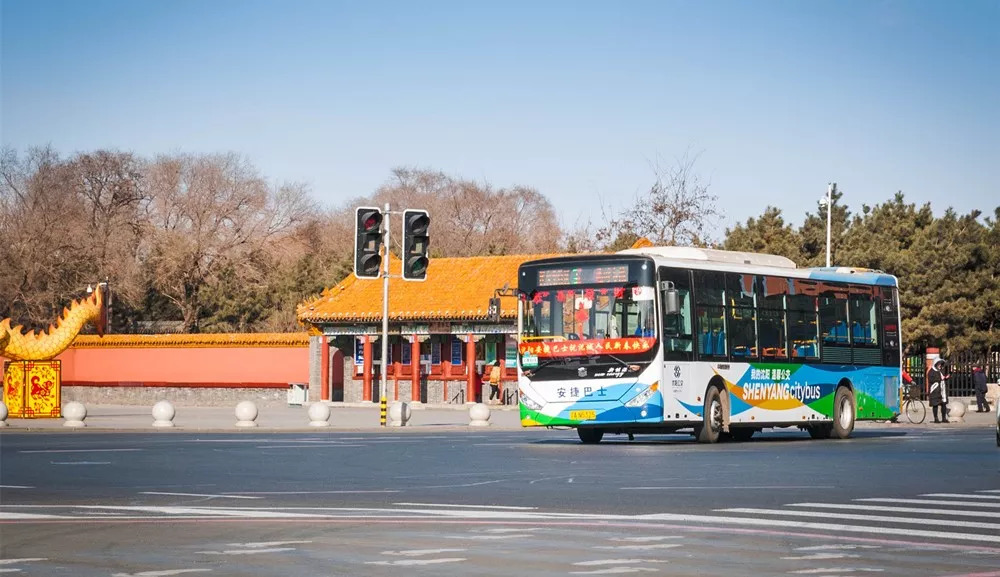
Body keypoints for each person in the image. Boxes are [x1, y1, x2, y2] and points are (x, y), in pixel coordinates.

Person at [927, 359, 950, 423]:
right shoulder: (931, 371)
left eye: (941, 364)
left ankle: (944, 418)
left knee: (944, 404)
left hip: (942, 390)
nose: (940, 365)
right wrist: (941, 378)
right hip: (935, 391)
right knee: (935, 405)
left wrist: (946, 378)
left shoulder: (940, 371)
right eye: (939, 364)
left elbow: (943, 378)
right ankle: (936, 418)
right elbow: (931, 379)